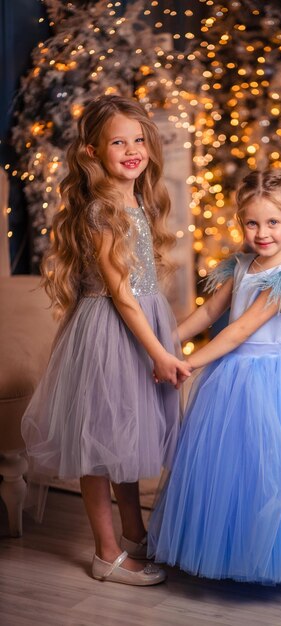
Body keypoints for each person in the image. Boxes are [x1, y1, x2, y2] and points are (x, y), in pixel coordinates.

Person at [148, 169, 281, 586]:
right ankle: (229, 543)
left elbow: (239, 330)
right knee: (230, 462)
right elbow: (212, 313)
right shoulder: (242, 264)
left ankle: (268, 555)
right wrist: (167, 344)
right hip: (234, 373)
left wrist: (188, 364)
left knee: (272, 463)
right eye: (252, 223)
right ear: (241, 223)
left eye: (273, 223)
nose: (262, 233)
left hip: (273, 377)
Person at [21, 94, 191, 586]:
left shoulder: (135, 196)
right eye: (118, 141)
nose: (132, 149)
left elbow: (139, 286)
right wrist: (159, 351)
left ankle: (135, 528)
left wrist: (162, 334)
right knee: (97, 442)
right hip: (109, 331)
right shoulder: (101, 210)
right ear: (93, 152)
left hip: (140, 321)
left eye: (139, 140)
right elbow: (119, 292)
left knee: (126, 434)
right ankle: (106, 551)